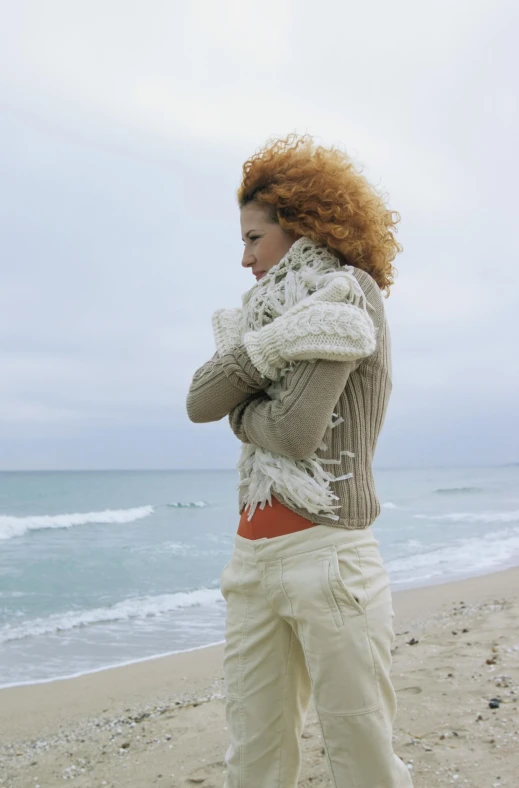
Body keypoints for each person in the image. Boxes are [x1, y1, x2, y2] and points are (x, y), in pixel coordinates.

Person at [186, 133, 412, 788]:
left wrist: (241, 409)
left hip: (327, 557)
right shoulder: (258, 318)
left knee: (360, 754)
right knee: (251, 760)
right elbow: (199, 400)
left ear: (301, 226)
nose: (243, 257)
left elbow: (291, 432)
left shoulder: (345, 295)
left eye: (254, 238)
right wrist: (259, 358)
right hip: (250, 560)